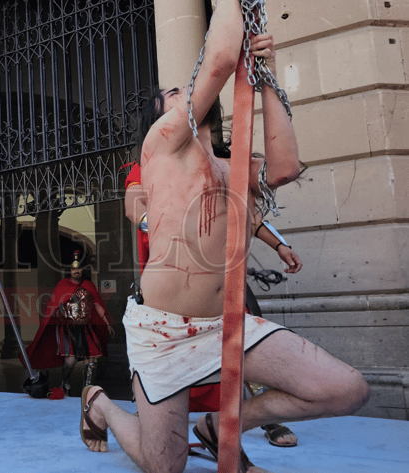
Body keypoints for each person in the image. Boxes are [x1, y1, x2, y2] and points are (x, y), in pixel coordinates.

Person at [79, 4, 369, 472]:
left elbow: (285, 167)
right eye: (171, 93)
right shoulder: (162, 145)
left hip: (228, 324)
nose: (183, 92)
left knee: (347, 389)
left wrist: (267, 73)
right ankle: (102, 406)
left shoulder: (235, 167)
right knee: (165, 467)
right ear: (159, 116)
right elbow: (216, 60)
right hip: (163, 332)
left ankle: (220, 426)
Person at [123, 162, 301, 448]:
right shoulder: (145, 167)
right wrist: (171, 224)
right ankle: (151, 413)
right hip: (173, 283)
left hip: (217, 278)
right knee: (169, 354)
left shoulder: (210, 166)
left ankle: (264, 417)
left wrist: (279, 245)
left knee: (242, 342)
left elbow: (246, 215)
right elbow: (135, 207)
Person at [23, 250, 116, 395]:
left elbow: (97, 304)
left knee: (90, 359)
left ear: (82, 270)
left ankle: (88, 389)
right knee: (70, 360)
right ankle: (65, 384)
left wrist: (107, 323)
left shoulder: (88, 285)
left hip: (86, 328)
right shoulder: (63, 285)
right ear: (70, 271)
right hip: (68, 329)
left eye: (78, 269)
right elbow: (54, 306)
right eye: (73, 269)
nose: (76, 271)